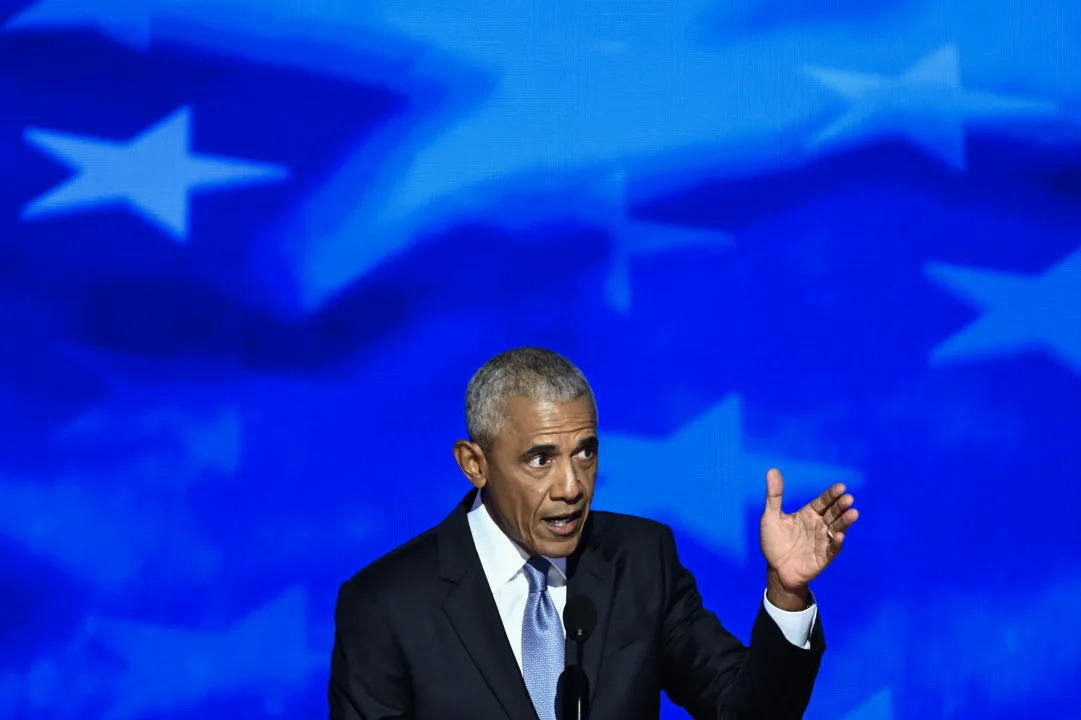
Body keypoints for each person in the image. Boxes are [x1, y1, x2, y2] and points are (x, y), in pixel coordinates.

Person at [329, 347, 858, 719]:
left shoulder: (641, 560)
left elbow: (743, 712)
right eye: (541, 459)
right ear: (475, 464)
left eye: (585, 452)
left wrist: (787, 593)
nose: (572, 486)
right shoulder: (385, 606)